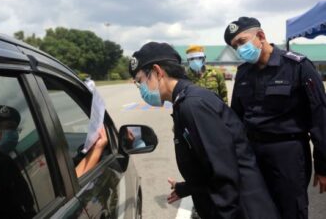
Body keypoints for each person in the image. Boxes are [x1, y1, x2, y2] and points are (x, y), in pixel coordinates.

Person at [129, 42, 280, 219]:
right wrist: (186, 188)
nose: (142, 90)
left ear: (157, 71)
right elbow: (208, 166)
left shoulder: (193, 105)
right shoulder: (184, 101)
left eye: (140, 81)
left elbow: (224, 173)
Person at [225, 17, 326, 219]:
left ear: (261, 36)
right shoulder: (243, 73)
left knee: (291, 211)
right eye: (235, 46)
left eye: (242, 41)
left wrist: (323, 166)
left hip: (288, 155)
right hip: (253, 154)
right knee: (258, 211)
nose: (239, 49)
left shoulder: (297, 66)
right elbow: (235, 118)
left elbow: (320, 118)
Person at [0, 105, 36, 218]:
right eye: (8, 128)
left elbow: (26, 200)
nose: (14, 135)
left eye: (15, 129)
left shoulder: (6, 161)